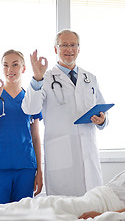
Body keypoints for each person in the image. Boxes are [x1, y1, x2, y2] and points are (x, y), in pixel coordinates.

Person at [21, 29, 108, 197]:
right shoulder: (45, 78)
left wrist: (102, 120)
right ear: (55, 49)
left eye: (73, 45)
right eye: (64, 45)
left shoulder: (89, 78)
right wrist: (37, 78)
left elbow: (102, 111)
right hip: (61, 155)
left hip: (88, 153)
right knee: (64, 209)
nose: (69, 49)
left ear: (79, 48)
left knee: (93, 208)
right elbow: (30, 109)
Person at [0, 49, 43, 204]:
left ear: (23, 68)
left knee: (22, 214)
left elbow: (36, 138)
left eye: (15, 65)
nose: (10, 69)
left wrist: (39, 170)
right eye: (5, 65)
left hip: (25, 166)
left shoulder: (30, 98)